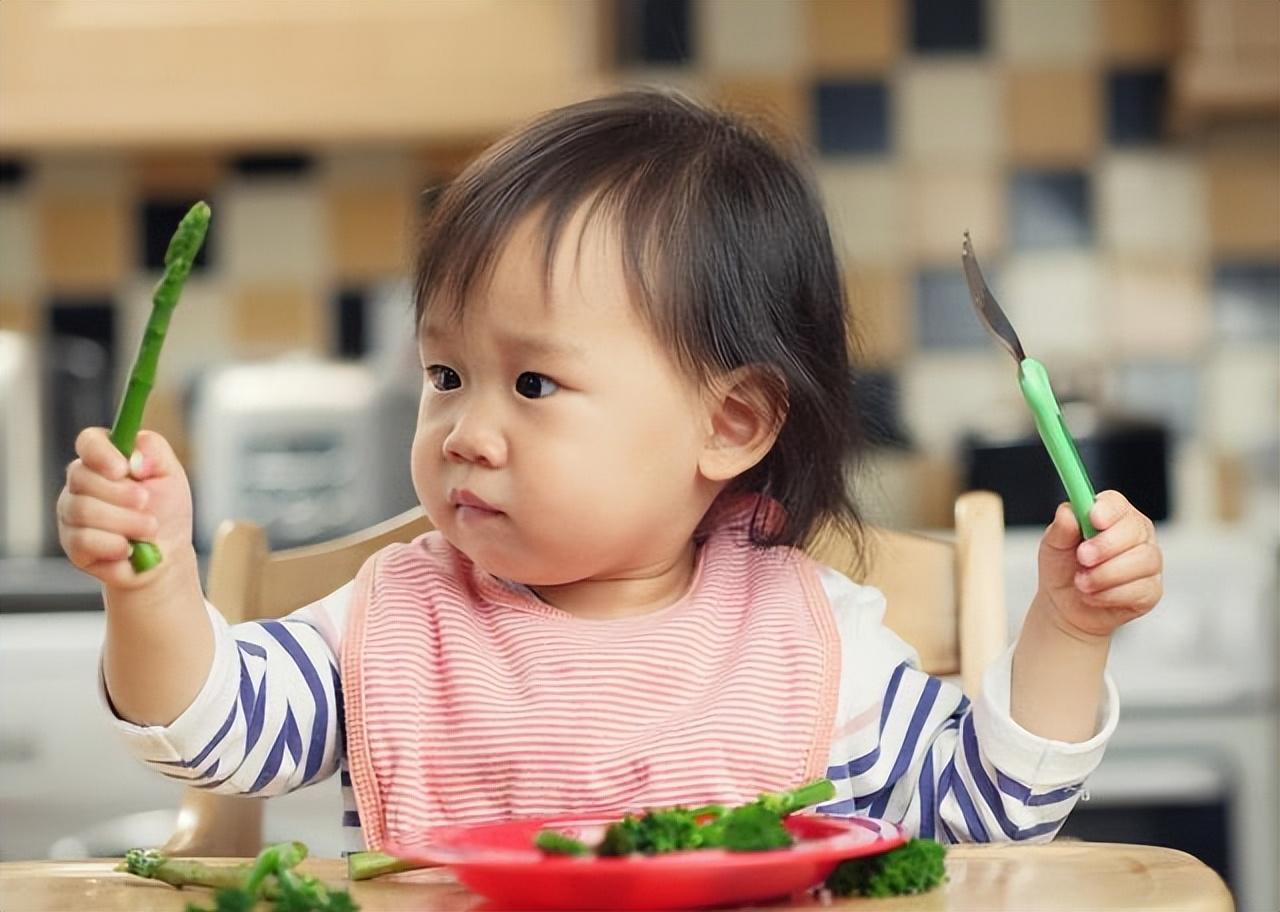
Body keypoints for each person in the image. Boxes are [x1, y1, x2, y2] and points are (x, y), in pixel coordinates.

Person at [57, 90, 1162, 856]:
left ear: (730, 424)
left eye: (533, 384)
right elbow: (214, 732)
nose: (465, 432)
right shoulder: (393, 619)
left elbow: (988, 811)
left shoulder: (807, 639)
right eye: (445, 375)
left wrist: (1067, 630)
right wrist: (151, 586)